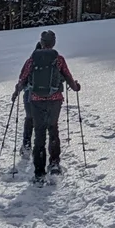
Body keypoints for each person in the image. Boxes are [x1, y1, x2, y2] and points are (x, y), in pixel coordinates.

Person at [14, 29, 81, 179]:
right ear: (54, 43)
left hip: (36, 101)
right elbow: (68, 77)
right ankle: (55, 164)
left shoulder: (32, 59)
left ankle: (39, 172)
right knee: (53, 129)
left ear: (42, 42)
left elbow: (22, 78)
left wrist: (16, 92)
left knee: (39, 133)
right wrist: (76, 87)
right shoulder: (59, 59)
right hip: (55, 100)